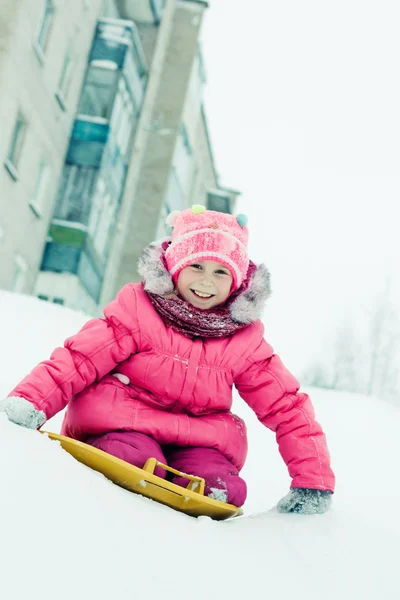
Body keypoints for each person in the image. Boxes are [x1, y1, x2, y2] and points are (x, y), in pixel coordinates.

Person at [0, 205, 335, 513]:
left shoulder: (244, 341)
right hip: (123, 424)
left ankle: (205, 487)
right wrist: (30, 402)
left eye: (221, 272)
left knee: (223, 485)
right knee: (133, 455)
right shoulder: (138, 311)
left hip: (199, 439)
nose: (206, 280)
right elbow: (80, 359)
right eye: (197, 266)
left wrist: (312, 481)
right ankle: (129, 463)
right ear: (175, 267)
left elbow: (286, 406)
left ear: (236, 282)